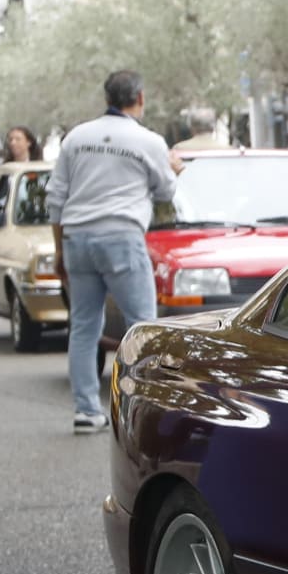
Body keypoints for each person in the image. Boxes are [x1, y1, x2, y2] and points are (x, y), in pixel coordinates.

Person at [47, 70, 177, 434]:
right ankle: (142, 408)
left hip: (77, 237)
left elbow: (56, 199)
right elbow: (166, 192)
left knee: (84, 327)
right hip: (121, 236)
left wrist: (59, 250)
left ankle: (86, 410)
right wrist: (175, 168)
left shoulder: (76, 137)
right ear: (140, 97)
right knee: (143, 326)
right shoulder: (148, 141)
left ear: (107, 98)